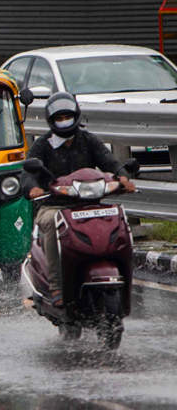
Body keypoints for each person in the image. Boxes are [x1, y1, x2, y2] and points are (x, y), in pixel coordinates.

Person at [24, 91, 137, 305]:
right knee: (50, 223)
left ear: (76, 115)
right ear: (51, 121)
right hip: (54, 205)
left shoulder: (88, 139)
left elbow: (109, 162)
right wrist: (33, 188)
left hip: (89, 204)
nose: (63, 121)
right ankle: (57, 287)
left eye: (67, 116)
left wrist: (123, 176)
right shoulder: (43, 144)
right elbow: (28, 172)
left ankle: (122, 279)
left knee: (117, 218)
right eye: (59, 118)